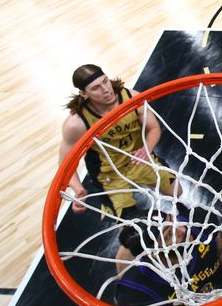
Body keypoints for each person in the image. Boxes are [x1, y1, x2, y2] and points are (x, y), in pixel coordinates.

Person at [58, 64, 181, 217]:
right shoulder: (76, 124)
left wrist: (146, 149)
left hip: (139, 158)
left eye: (105, 81)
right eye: (96, 88)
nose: (105, 90)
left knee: (177, 192)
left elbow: (154, 128)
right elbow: (65, 165)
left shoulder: (131, 98)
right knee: (129, 224)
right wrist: (78, 190)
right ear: (84, 94)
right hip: (110, 174)